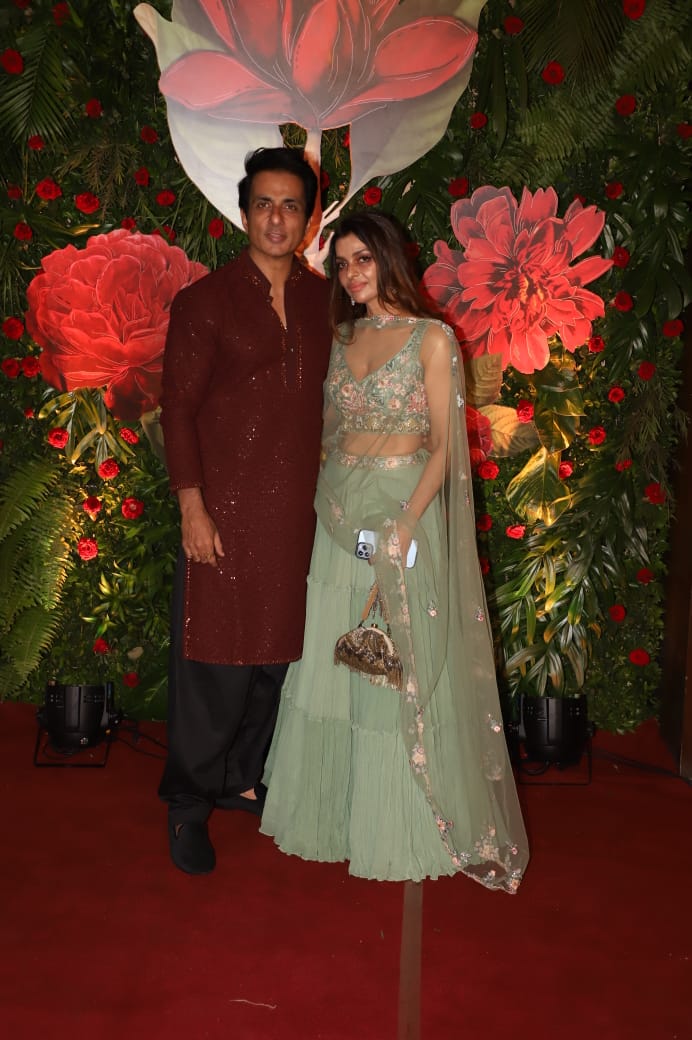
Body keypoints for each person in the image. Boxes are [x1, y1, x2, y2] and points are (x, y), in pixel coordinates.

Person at [260, 211, 529, 890]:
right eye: (342, 264)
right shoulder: (341, 336)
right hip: (338, 514)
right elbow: (327, 434)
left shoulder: (432, 339)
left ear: (388, 259)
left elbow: (444, 446)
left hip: (403, 509)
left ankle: (405, 825)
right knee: (339, 662)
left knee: (400, 667)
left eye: (363, 259)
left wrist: (408, 521)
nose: (352, 274)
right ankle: (338, 819)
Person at [159, 147, 331, 875]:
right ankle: (188, 806)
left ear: (309, 219)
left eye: (291, 205)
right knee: (215, 666)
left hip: (300, 517)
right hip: (224, 512)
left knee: (276, 663)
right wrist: (192, 507)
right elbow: (177, 410)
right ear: (243, 213)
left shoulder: (327, 303)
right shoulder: (205, 302)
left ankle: (239, 778)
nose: (277, 218)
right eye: (264, 204)